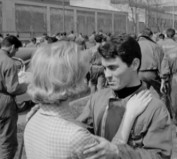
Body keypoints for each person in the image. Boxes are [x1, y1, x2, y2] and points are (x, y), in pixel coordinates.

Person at [24, 41, 152, 159]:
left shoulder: (33, 119)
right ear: (71, 80)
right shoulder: (76, 137)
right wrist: (129, 116)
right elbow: (109, 153)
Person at [77, 34, 172, 159]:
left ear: (134, 64)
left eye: (112, 68)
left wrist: (119, 153)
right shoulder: (97, 98)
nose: (107, 75)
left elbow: (159, 156)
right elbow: (80, 132)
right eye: (105, 68)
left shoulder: (154, 108)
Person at [0, 36, 28, 159]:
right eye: (16, 50)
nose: (15, 53)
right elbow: (13, 88)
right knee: (7, 141)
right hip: (4, 102)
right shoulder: (9, 62)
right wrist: (26, 85)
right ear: (12, 47)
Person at [137, 28, 164, 96]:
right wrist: (162, 77)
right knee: (162, 93)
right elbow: (160, 61)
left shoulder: (135, 44)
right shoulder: (155, 45)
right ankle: (163, 106)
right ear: (150, 36)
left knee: (141, 95)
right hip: (151, 73)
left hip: (139, 73)